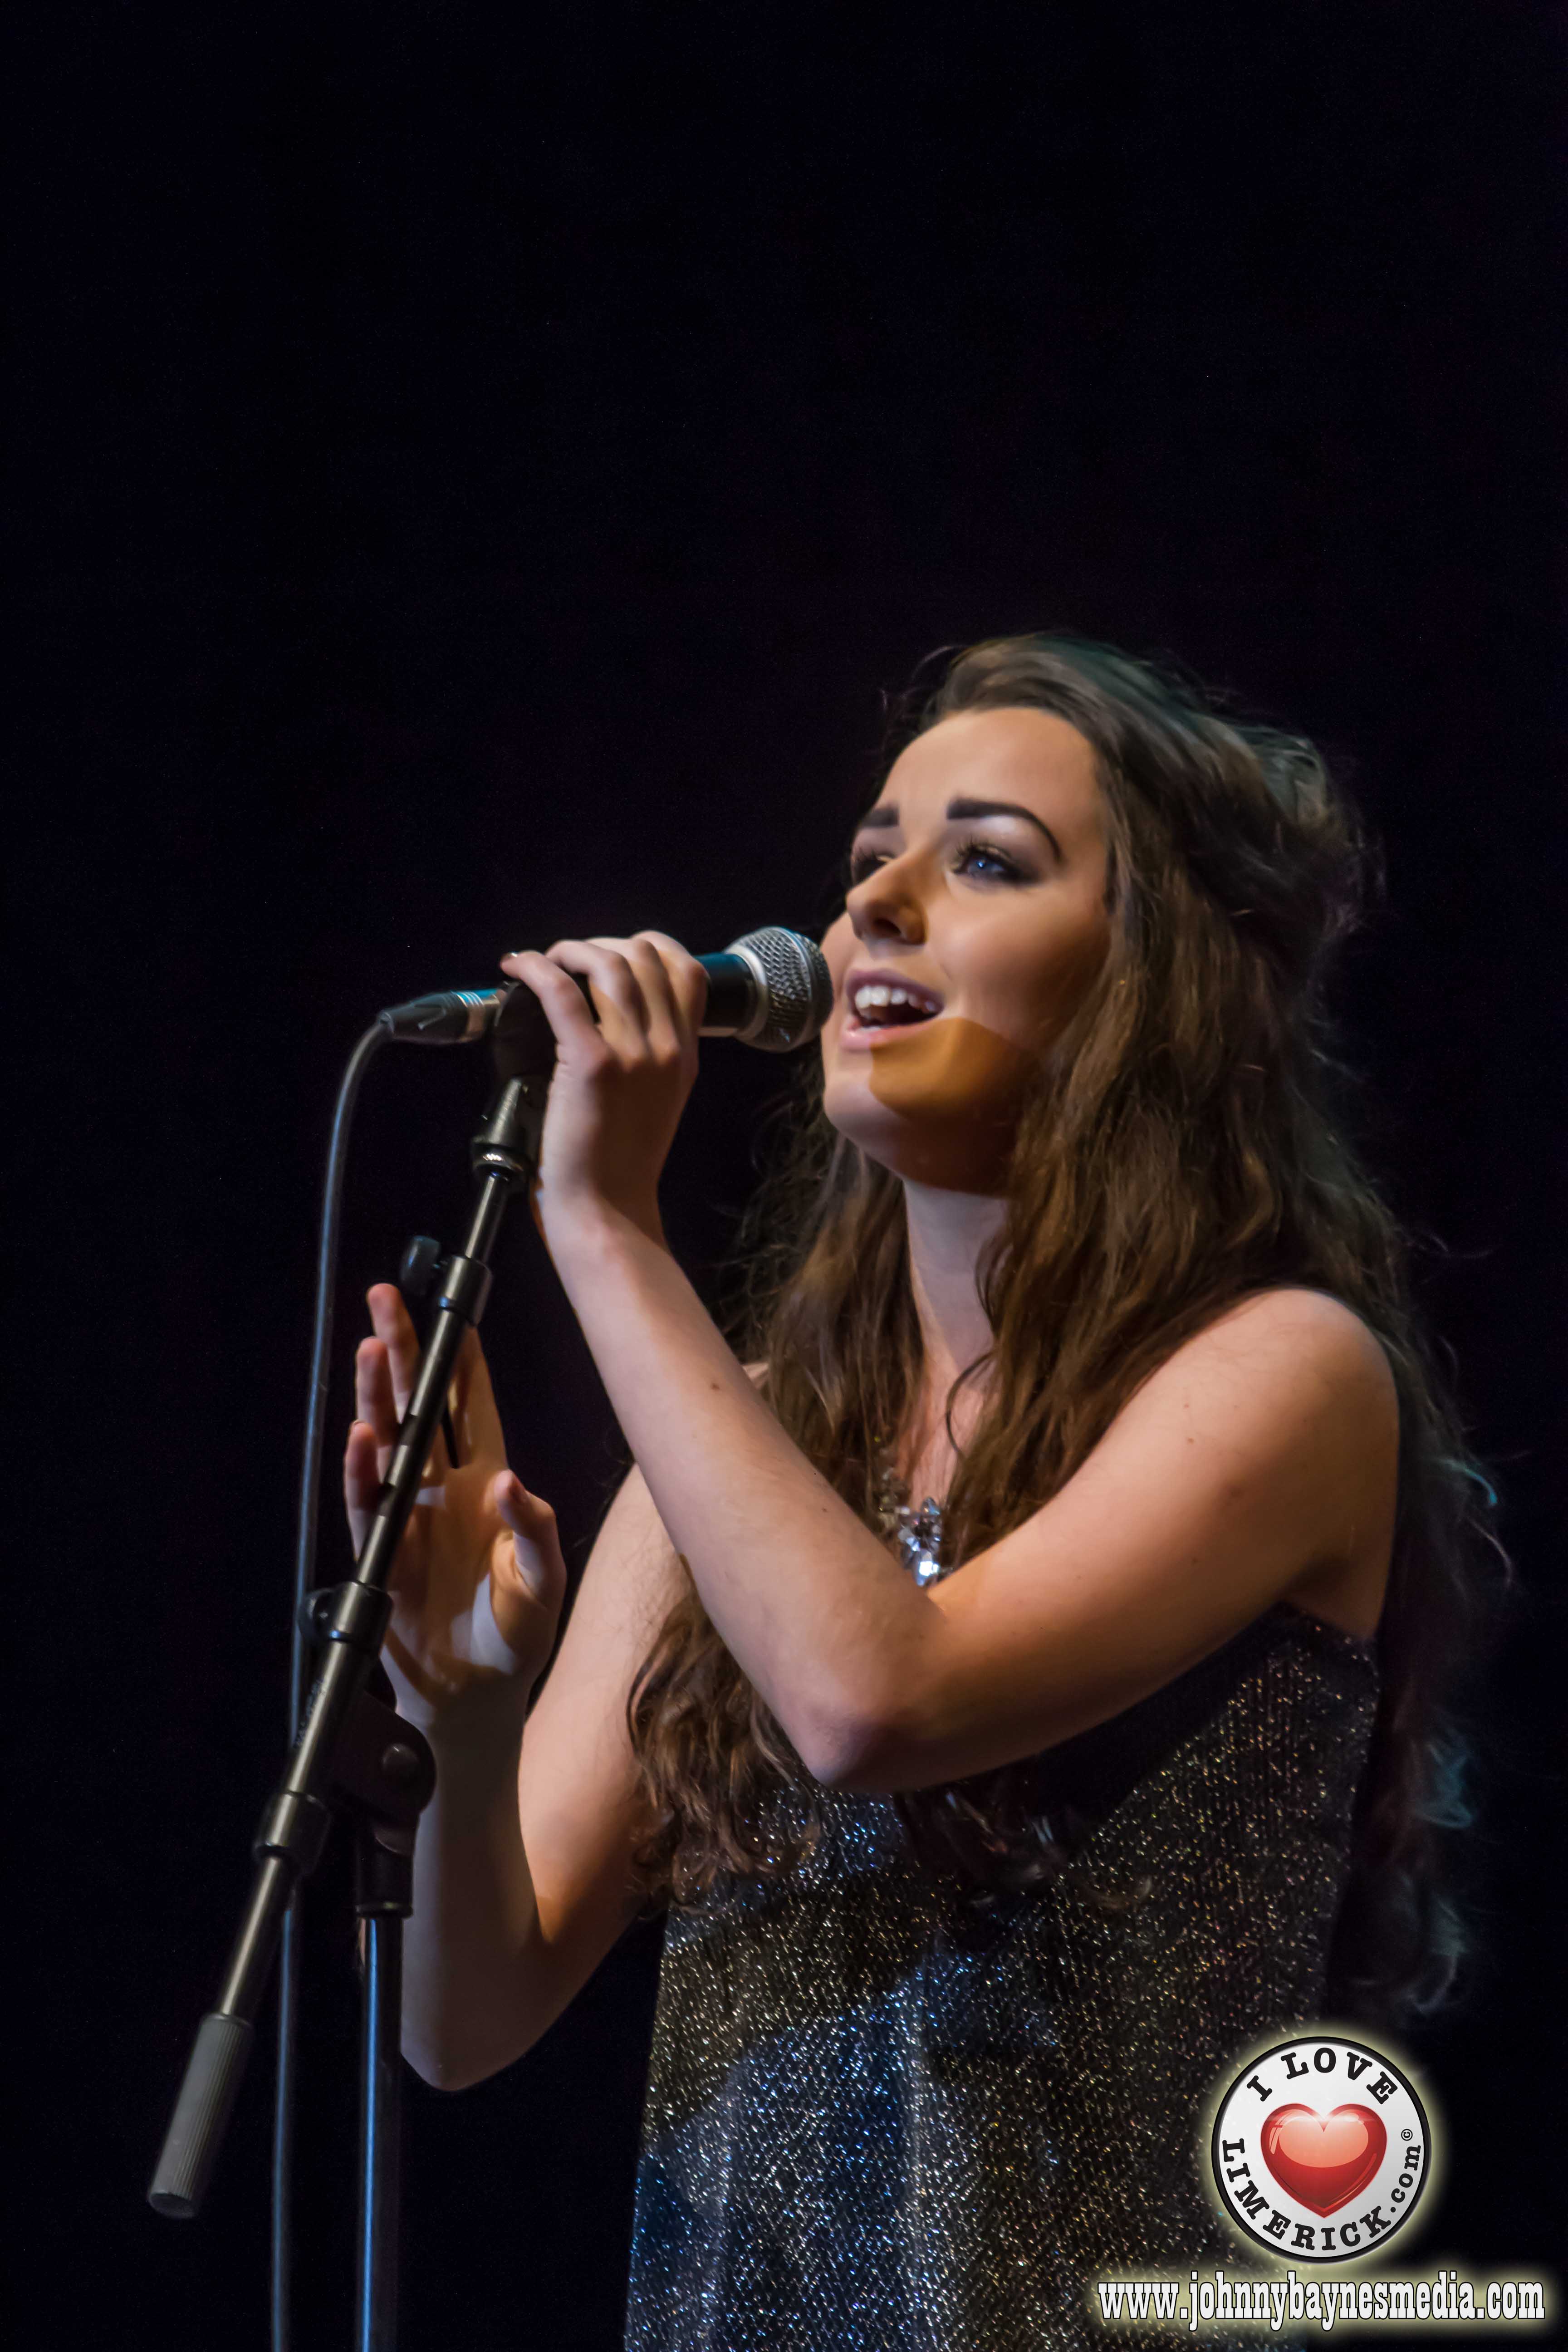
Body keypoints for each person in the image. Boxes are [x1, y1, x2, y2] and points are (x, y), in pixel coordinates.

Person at [343, 636, 1503, 2351]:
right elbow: (467, 2023)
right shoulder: (748, 1449)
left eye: (987, 863)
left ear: (1153, 977)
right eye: (871, 856)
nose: (873, 903)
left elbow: (872, 1699)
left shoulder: (1285, 1375)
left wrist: (602, 1226)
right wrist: (459, 1708)